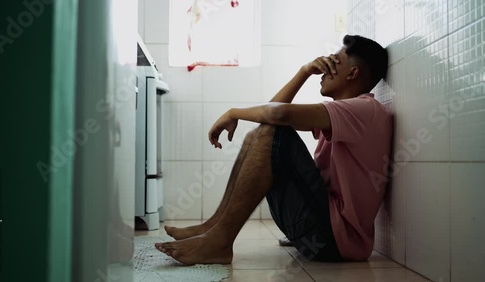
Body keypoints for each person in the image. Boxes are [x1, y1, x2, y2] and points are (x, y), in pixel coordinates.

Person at [155, 35, 392, 265]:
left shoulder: (364, 109)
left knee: (272, 132)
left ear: (353, 73)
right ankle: (214, 228)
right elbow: (273, 113)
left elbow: (278, 113)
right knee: (258, 135)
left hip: (334, 241)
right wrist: (304, 71)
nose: (324, 68)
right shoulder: (345, 112)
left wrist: (233, 112)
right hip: (319, 231)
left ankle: (220, 241)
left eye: (334, 62)